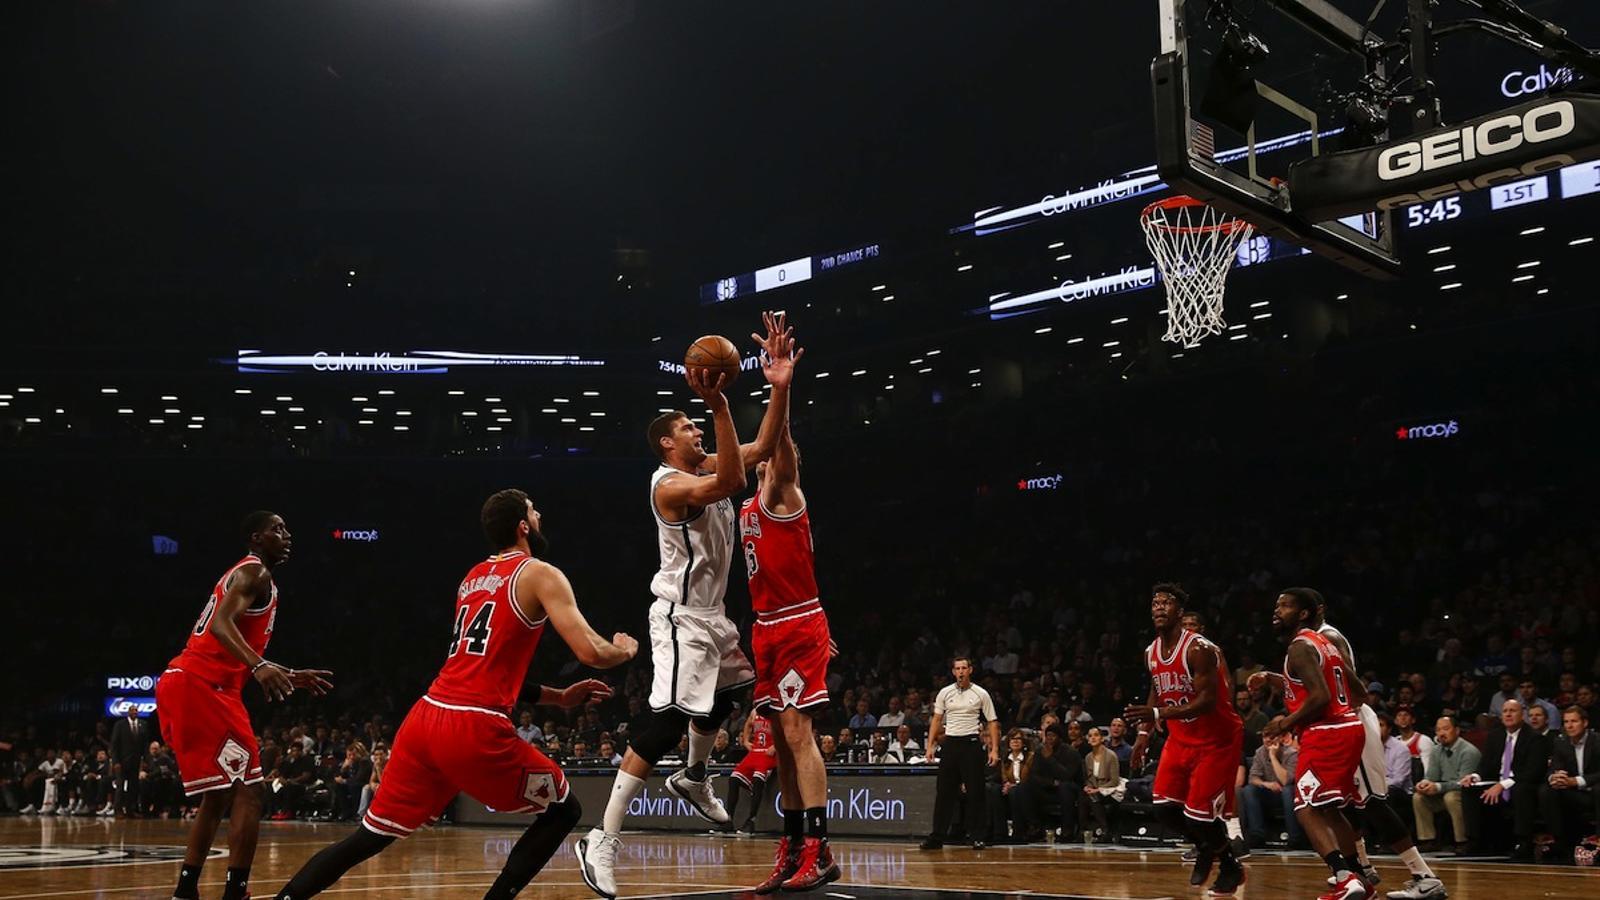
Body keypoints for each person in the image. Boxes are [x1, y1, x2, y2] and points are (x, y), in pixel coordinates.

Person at [272, 489, 637, 900]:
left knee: (367, 839)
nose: (540, 516)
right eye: (534, 510)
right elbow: (591, 652)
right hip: (471, 725)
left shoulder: (473, 577)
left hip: (427, 716)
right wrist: (622, 650)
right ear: (522, 526)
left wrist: (558, 698)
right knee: (564, 810)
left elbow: (483, 669)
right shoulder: (539, 572)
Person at [578, 313, 798, 900]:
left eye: (699, 423)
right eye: (688, 428)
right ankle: (603, 838)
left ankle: (695, 774)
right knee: (667, 721)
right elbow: (731, 480)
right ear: (665, 445)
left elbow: (768, 446)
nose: (698, 431)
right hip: (678, 619)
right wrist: (722, 406)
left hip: (714, 619)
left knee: (735, 692)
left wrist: (778, 385)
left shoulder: (704, 464)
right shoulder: (668, 485)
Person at [156, 512, 333, 900]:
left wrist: (286, 671)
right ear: (256, 538)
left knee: (218, 794)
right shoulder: (255, 573)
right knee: (250, 792)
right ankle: (235, 891)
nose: (287, 535)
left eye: (287, 528)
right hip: (203, 685)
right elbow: (221, 624)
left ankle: (185, 889)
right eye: (277, 529)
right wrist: (260, 665)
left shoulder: (247, 575)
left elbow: (228, 637)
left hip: (187, 681)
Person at [735, 376, 843, 893]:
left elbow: (777, 442)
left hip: (797, 621)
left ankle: (820, 849)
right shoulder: (748, 503)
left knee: (799, 734)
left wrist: (780, 387)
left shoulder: (783, 492)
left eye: (774, 447)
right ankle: (794, 844)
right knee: (780, 742)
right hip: (766, 628)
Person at [1312, 605, 1446, 899]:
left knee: (1372, 802)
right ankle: (1360, 869)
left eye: (1285, 605)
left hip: (1351, 722)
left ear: (1310, 611)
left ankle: (1425, 876)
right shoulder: (1309, 641)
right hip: (1336, 725)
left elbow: (1353, 690)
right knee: (1338, 802)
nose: (1277, 611)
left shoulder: (1328, 637)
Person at [1124, 584, 1246, 896]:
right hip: (1180, 738)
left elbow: (1207, 701)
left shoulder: (1199, 649)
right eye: (1155, 603)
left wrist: (1157, 712)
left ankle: (1230, 865)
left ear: (1181, 612)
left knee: (1200, 815)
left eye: (1167, 603)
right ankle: (1206, 848)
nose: (1159, 607)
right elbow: (1156, 689)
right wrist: (1143, 734)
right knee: (1163, 808)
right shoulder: (1151, 652)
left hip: (1216, 739)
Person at [1258, 589, 1369, 900]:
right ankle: (1360, 878)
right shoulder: (1324, 643)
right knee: (1329, 810)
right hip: (1348, 727)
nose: (1276, 610)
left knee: (1305, 806)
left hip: (1328, 732)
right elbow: (1358, 693)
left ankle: (1343, 876)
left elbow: (1319, 697)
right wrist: (1273, 680)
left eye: (1285, 605)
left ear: (1304, 613)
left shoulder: (1299, 647)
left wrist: (1284, 723)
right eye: (1276, 603)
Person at [920, 656, 1001, 851]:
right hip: (950, 744)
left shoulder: (980, 693)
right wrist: (930, 745)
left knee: (976, 792)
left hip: (971, 743)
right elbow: (937, 720)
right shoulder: (945, 692)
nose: (961, 672)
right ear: (953, 672)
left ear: (970, 670)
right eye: (957, 668)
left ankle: (977, 836)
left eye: (964, 668)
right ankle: (937, 836)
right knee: (944, 792)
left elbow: (992, 721)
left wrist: (994, 749)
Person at [1460, 698, 1549, 860]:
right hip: (1498, 782)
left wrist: (1503, 785)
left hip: (1522, 783)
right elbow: (1486, 765)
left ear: (1522, 715)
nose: (1508, 714)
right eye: (1505, 711)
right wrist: (1474, 776)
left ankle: (1523, 842)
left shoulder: (1535, 738)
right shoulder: (1495, 735)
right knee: (1469, 789)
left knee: (1522, 790)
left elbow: (1533, 772)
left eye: (1512, 711)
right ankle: (1475, 840)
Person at [1537, 705, 1599, 862]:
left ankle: (1598, 841)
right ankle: (1559, 841)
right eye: (1566, 722)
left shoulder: (1597, 741)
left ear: (1585, 723)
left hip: (1593, 790)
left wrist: (1576, 781)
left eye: (1574, 721)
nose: (1569, 726)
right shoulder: (1561, 742)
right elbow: (1553, 768)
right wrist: (1555, 777)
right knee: (1547, 790)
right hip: (1573, 792)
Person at [1412, 715, 1480, 854]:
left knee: (1451, 797)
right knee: (1418, 797)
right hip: (1443, 793)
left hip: (1467, 795)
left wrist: (1438, 787)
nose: (1441, 733)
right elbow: (1431, 776)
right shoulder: (1436, 750)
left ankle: (1463, 841)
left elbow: (1464, 783)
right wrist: (1424, 784)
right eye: (1438, 730)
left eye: (1446, 729)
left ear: (1457, 730)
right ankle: (1428, 840)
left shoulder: (1469, 752)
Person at [1240, 732, 1303, 848]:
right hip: (1269, 793)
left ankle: (1295, 838)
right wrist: (1266, 784)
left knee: (1287, 791)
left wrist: (1273, 756)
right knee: (1249, 790)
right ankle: (1256, 836)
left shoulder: (1291, 753)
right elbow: (1253, 778)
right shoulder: (1260, 752)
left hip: (1290, 794)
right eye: (1265, 737)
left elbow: (1285, 781)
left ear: (1281, 738)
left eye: (1272, 736)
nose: (1267, 740)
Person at [725, 709, 777, 835]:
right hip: (755, 751)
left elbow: (788, 730)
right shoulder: (755, 711)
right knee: (733, 778)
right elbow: (748, 724)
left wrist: (776, 746)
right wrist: (746, 741)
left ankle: (751, 821)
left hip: (769, 754)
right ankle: (727, 821)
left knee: (758, 779)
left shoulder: (778, 711)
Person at [1079, 726, 1121, 843]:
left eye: (1096, 735)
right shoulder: (1088, 757)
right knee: (1083, 796)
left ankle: (1105, 830)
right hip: (1094, 791)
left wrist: (1098, 790)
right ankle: (1083, 831)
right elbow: (1089, 779)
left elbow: (1114, 781)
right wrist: (1088, 787)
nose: (1093, 738)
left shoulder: (1111, 756)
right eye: (1090, 736)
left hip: (1110, 790)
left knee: (1093, 797)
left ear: (1102, 739)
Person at [110, 707, 151, 817]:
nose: (134, 712)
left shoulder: (143, 724)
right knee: (120, 786)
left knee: (133, 787)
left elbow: (145, 745)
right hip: (122, 761)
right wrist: (116, 761)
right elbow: (114, 745)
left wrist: (146, 760)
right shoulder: (120, 725)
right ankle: (118, 809)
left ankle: (130, 810)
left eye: (136, 710)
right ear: (128, 712)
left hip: (136, 761)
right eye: (132, 710)